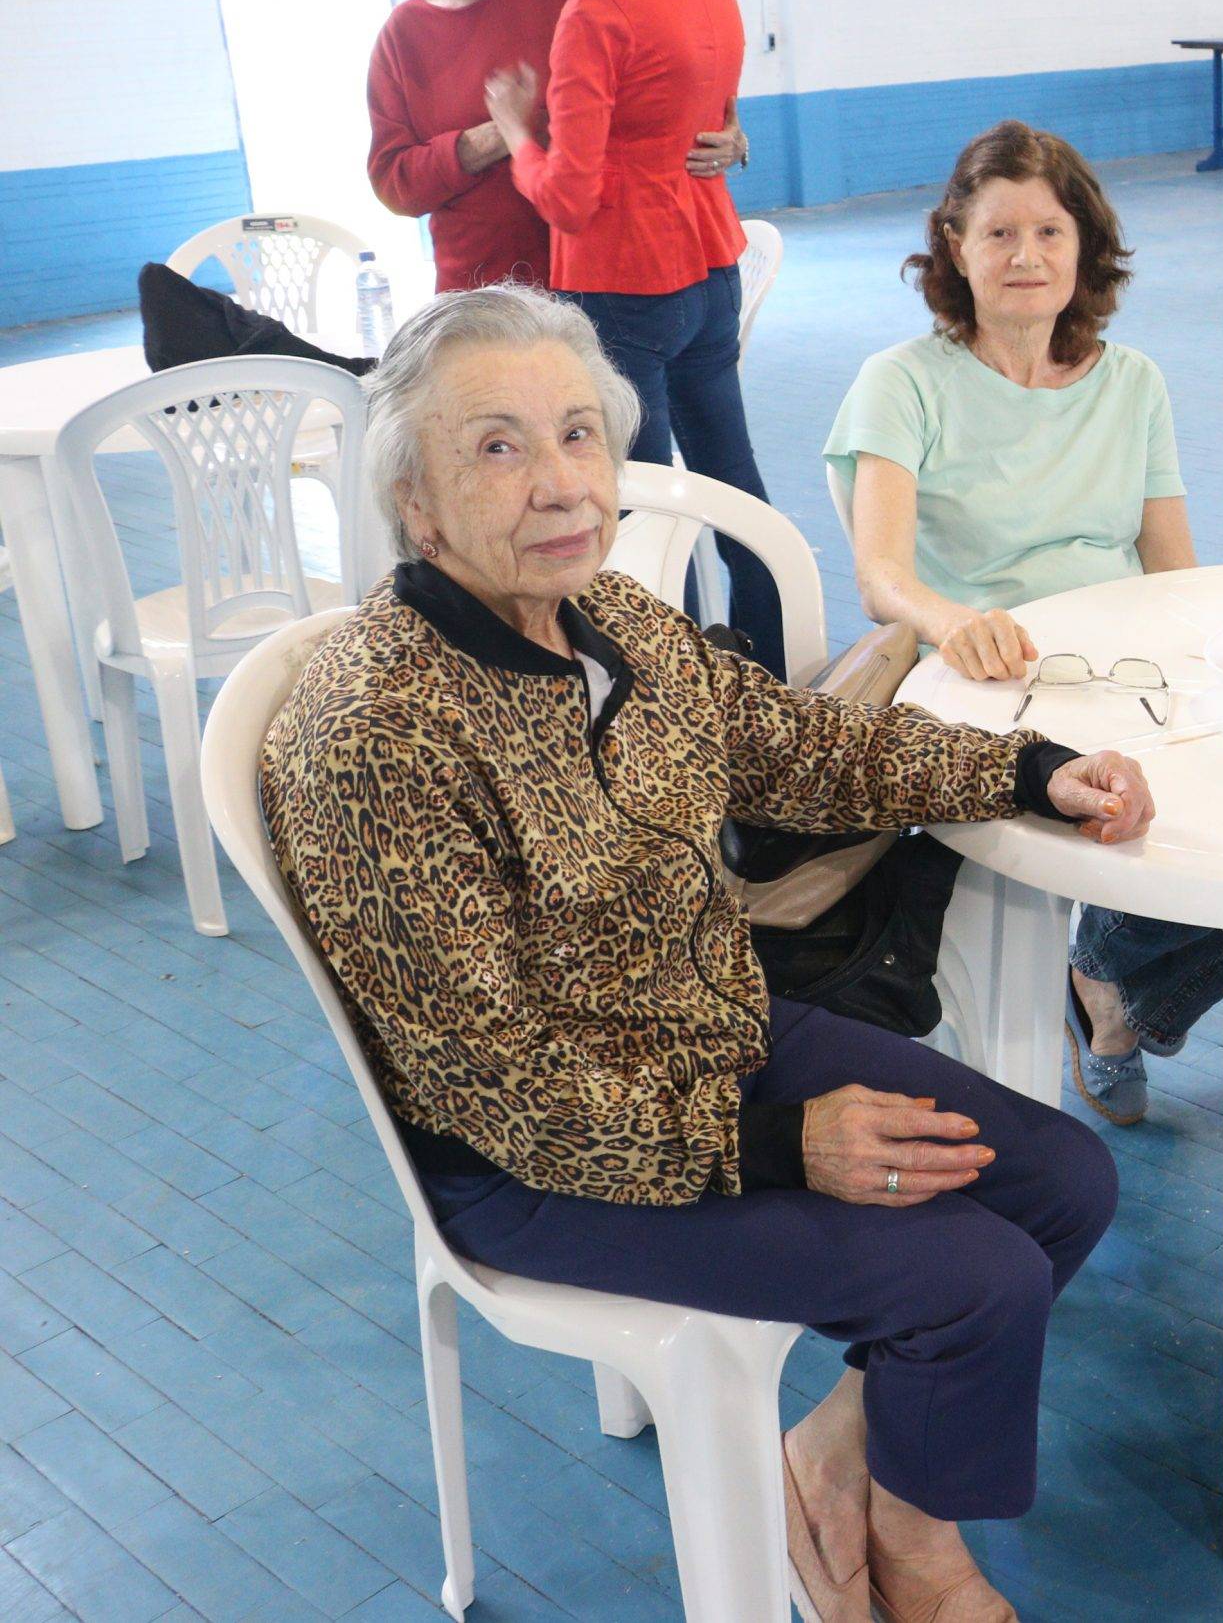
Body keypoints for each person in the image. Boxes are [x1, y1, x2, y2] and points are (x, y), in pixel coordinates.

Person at [264, 285, 1162, 1622]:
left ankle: (840, 1467)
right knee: (974, 1275)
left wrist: (1028, 771)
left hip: (716, 1035)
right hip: (535, 1156)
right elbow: (490, 1083)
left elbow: (806, 744)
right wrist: (779, 1148)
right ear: (417, 501)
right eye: (499, 448)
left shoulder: (615, 622)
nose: (562, 482)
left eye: (579, 433)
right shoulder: (378, 727)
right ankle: (920, 1560)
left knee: (1063, 1179)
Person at [821, 123, 1214, 1132]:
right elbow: (880, 575)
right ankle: (1109, 996)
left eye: (1048, 230)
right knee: (1140, 819)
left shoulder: (1132, 385)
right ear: (953, 246)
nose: (1026, 256)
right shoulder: (903, 381)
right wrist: (955, 623)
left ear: (1084, 245)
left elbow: (1172, 568)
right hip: (978, 686)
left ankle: (1105, 982)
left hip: (1122, 668)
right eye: (998, 234)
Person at [480, 0, 783, 675]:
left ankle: (669, 689)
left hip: (623, 285)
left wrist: (519, 135)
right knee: (733, 484)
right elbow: (711, 124)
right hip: (711, 270)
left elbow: (570, 199)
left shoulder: (598, 12)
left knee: (646, 512)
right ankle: (771, 674)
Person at [366, 0, 745, 292]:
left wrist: (731, 136)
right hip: (478, 295)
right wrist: (488, 141)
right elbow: (393, 183)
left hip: (602, 289)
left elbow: (670, 82)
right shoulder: (403, 35)